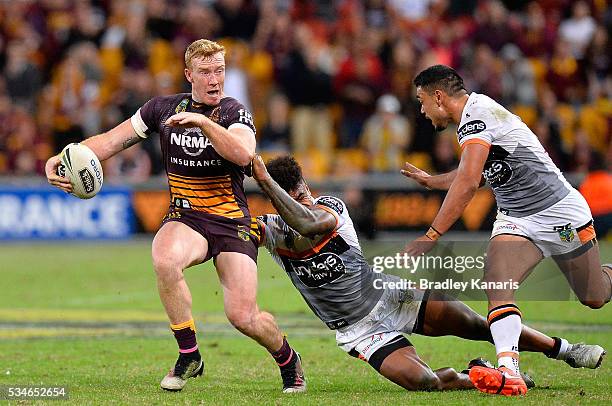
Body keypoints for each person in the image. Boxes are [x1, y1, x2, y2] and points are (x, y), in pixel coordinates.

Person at [44, 39, 305, 394]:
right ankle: (189, 353)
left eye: (219, 71)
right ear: (189, 75)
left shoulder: (234, 112)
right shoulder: (161, 109)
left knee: (243, 317)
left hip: (232, 220)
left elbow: (243, 153)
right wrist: (62, 157)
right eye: (205, 72)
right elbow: (110, 141)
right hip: (188, 217)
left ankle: (289, 359)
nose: (215, 79)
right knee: (164, 258)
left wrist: (203, 122)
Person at [250, 154, 605, 392]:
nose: (302, 200)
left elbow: (309, 223)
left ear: (305, 187)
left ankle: (566, 350)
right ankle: (477, 374)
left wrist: (268, 181)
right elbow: (234, 235)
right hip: (359, 331)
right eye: (292, 197)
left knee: (480, 326)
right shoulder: (270, 228)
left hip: (391, 295)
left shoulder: (329, 207)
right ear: (277, 200)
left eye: (302, 193)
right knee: (425, 382)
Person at [402, 65, 610, 396]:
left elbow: (470, 182)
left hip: (559, 212)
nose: (422, 110)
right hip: (517, 218)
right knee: (497, 282)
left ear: (438, 96)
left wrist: (431, 235)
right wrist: (433, 181)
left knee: (594, 297)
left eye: (422, 101)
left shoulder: (478, 116)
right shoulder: (473, 120)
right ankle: (508, 369)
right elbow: (480, 172)